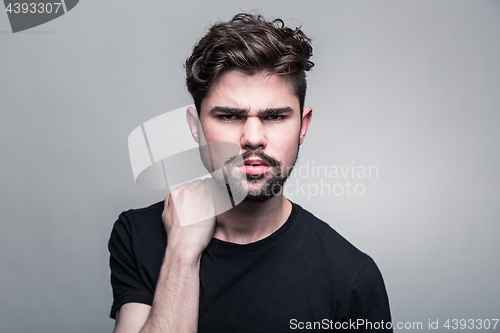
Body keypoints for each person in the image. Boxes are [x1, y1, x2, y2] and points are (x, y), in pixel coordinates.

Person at [108, 13, 392, 333]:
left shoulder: (351, 277)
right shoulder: (139, 235)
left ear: (303, 125)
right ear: (195, 127)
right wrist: (182, 253)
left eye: (274, 116)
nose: (253, 137)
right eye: (229, 116)